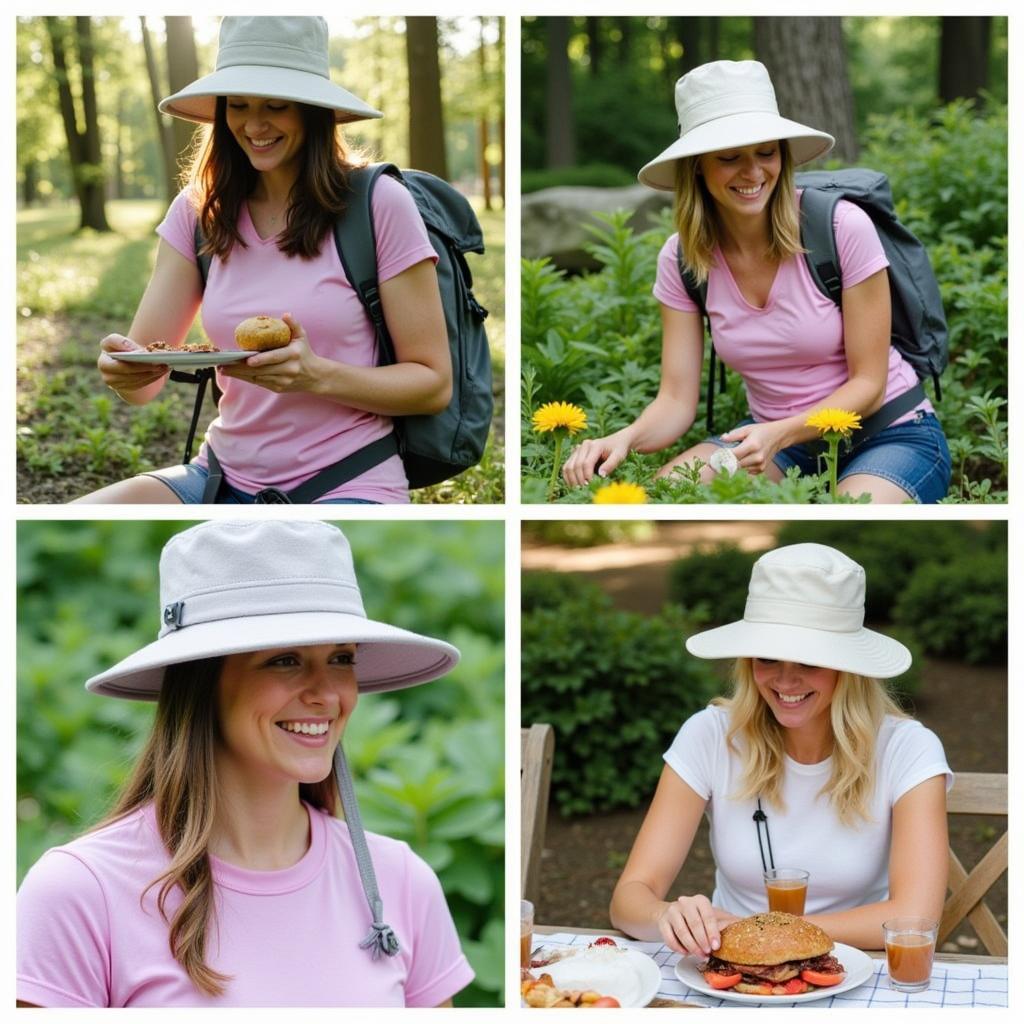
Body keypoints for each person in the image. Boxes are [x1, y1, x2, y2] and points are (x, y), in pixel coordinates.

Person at [17, 520, 475, 1007]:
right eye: (285, 660)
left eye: (342, 658)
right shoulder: (81, 893)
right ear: (202, 682)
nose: (327, 694)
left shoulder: (399, 879)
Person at [75, 16, 451, 504]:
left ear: (314, 111)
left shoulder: (379, 204)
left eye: (276, 105)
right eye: (239, 104)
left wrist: (317, 375)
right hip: (219, 476)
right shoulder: (197, 212)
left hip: (349, 481)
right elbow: (144, 382)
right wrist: (124, 369)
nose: (254, 124)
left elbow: (433, 384)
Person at [562, 60, 951, 504]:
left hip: (889, 434)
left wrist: (780, 434)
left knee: (843, 510)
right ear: (697, 169)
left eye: (766, 153)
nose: (752, 173)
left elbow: (869, 384)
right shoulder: (683, 259)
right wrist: (623, 439)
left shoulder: (841, 228)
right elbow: (675, 399)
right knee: (662, 498)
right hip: (768, 445)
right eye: (729, 158)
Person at [609, 543, 950, 956]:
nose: (786, 682)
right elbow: (629, 898)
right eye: (768, 658)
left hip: (856, 971)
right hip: (733, 968)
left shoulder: (907, 749)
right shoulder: (710, 735)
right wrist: (664, 916)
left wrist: (767, 932)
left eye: (809, 662)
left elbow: (917, 918)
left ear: (849, 669)